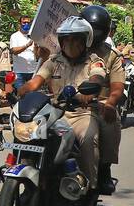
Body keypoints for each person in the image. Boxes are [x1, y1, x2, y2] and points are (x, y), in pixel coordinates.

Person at [18, 17, 107, 190]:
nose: (70, 43)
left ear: (85, 41)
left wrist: (89, 92)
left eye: (75, 39)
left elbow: (97, 77)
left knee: (88, 139)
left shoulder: (94, 61)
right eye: (66, 39)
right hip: (55, 112)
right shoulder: (53, 61)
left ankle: (89, 186)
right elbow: (37, 80)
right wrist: (23, 89)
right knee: (30, 135)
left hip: (82, 112)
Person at [80, 5, 126, 191]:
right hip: (67, 102)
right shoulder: (69, 46)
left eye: (96, 30)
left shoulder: (111, 55)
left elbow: (117, 85)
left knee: (110, 121)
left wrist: (111, 102)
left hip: (98, 103)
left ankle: (104, 169)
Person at [8, 14, 39, 88]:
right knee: (21, 93)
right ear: (20, 24)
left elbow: (37, 55)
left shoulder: (33, 36)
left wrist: (36, 47)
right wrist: (27, 45)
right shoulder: (15, 36)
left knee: (32, 93)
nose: (26, 24)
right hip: (19, 72)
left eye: (28, 23)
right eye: (24, 22)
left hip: (32, 71)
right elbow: (14, 51)